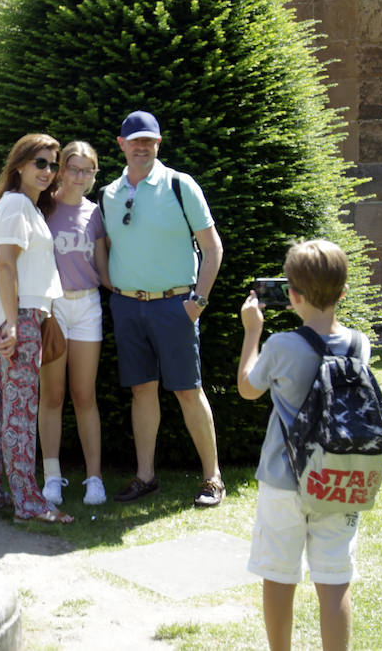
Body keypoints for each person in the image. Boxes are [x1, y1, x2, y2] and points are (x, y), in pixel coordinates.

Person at [238, 240, 366, 651]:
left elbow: (247, 388)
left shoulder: (281, 345)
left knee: (279, 575)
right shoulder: (358, 344)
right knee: (334, 578)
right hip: (339, 478)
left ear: (292, 295)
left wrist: (253, 332)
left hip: (284, 478)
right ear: (343, 293)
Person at [95, 110, 226, 508]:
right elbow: (103, 246)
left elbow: (213, 247)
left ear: (158, 143)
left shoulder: (179, 184)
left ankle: (213, 478)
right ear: (121, 144)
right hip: (129, 307)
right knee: (141, 391)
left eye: (148, 140)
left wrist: (197, 303)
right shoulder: (109, 194)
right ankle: (146, 476)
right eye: (134, 140)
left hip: (175, 305)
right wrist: (110, 285)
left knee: (189, 390)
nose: (141, 146)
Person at [0, 133, 73, 525]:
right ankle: (28, 502)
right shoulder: (16, 205)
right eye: (40, 163)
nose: (48, 171)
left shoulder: (21, 207)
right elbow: (6, 265)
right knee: (18, 412)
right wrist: (14, 324)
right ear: (19, 166)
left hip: (18, 315)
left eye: (52, 164)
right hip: (20, 318)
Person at [38, 140, 109, 507]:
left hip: (88, 308)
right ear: (62, 169)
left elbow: (103, 267)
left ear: (94, 174)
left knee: (84, 395)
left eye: (88, 170)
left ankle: (93, 479)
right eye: (74, 168)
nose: (80, 176)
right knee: (52, 395)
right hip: (53, 309)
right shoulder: (43, 207)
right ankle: (52, 478)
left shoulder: (96, 214)